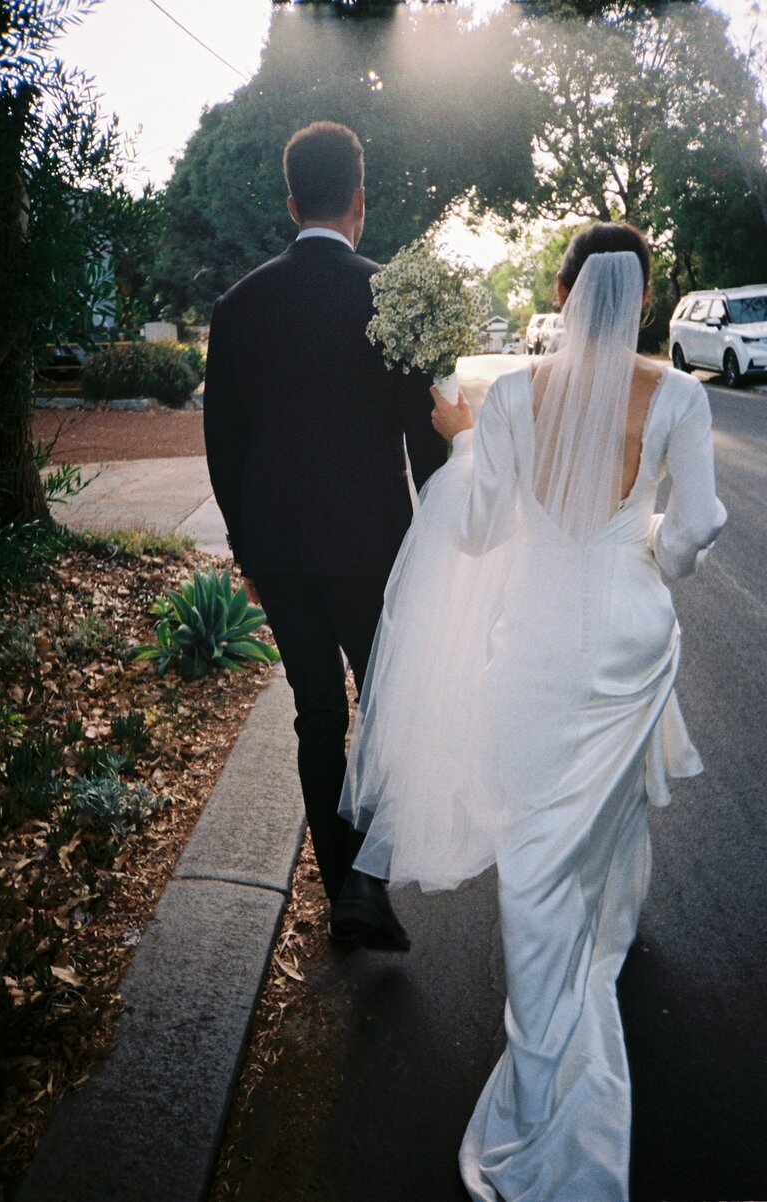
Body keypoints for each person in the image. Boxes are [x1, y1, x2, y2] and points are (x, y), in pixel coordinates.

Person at [339, 222, 726, 1200]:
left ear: (561, 294)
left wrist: (463, 446)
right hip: (631, 634)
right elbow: (686, 542)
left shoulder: (508, 396)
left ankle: (560, 988)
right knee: (611, 799)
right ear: (638, 298)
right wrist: (640, 533)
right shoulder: (679, 395)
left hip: (538, 640)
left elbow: (472, 532)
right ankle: (606, 927)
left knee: (541, 829)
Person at [203, 121, 446, 952]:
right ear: (360, 201)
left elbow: (223, 450)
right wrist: (441, 544)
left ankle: (342, 883)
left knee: (316, 715)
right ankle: (368, 887)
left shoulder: (237, 308)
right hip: (376, 551)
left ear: (289, 202)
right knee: (391, 713)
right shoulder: (393, 297)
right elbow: (427, 441)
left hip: (279, 551)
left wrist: (248, 553)